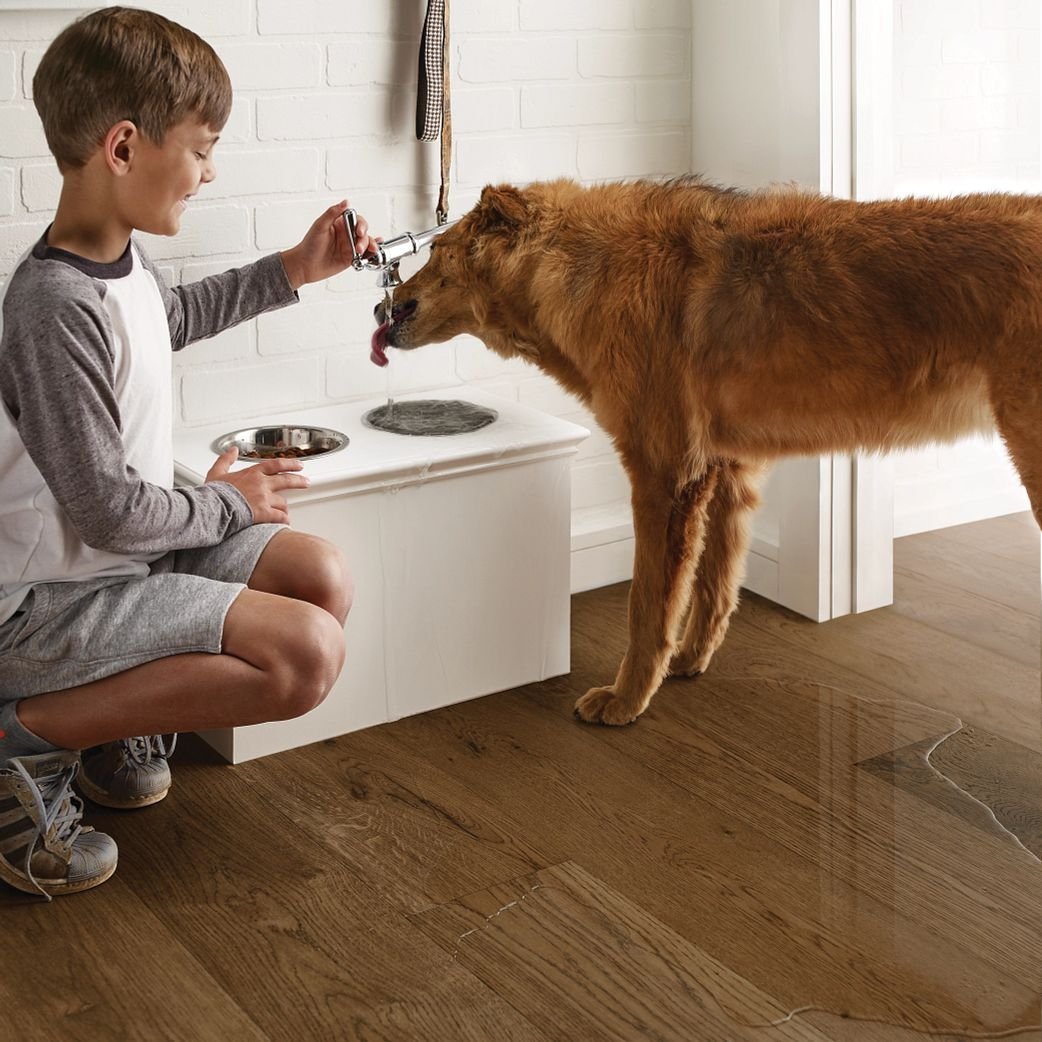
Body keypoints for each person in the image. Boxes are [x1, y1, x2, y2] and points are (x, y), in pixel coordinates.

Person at [0, 6, 375, 900]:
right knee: (305, 656)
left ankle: (111, 728)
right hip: (46, 604)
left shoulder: (117, 261)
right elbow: (109, 512)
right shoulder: (50, 305)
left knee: (322, 575)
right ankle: (25, 742)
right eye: (202, 147)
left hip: (118, 559)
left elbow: (172, 320)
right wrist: (228, 503)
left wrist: (294, 267)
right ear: (124, 148)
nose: (209, 171)